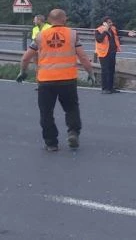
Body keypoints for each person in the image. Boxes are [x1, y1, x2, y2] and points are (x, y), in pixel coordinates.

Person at [17, 9, 95, 152]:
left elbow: (26, 57)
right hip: (67, 79)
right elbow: (83, 57)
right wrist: (90, 72)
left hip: (46, 80)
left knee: (46, 112)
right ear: (64, 19)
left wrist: (23, 72)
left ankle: (51, 143)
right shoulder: (72, 34)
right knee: (71, 108)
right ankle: (73, 132)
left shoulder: (40, 36)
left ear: (49, 20)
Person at [95, 16, 136, 94]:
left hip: (112, 52)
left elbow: (119, 32)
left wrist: (128, 33)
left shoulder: (113, 28)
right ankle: (104, 88)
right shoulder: (99, 30)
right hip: (103, 53)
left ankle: (110, 88)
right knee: (105, 70)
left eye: (111, 22)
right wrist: (105, 31)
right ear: (104, 23)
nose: (111, 23)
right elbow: (99, 39)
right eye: (109, 22)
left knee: (111, 70)